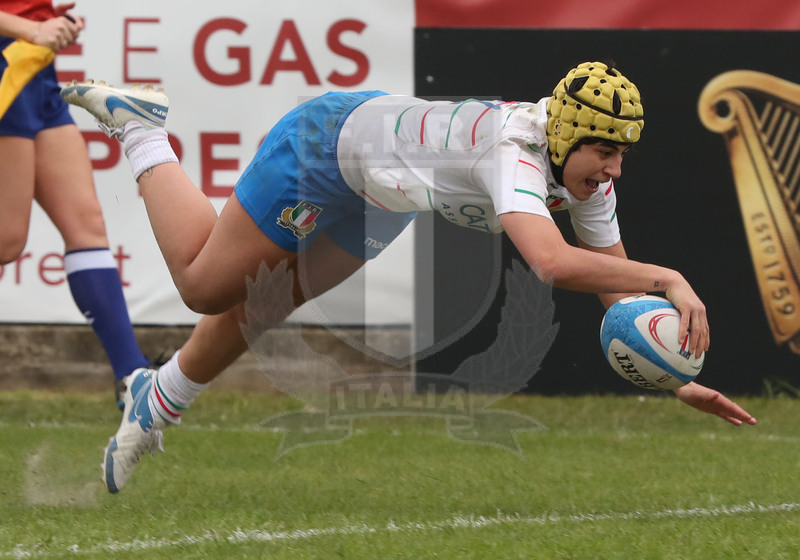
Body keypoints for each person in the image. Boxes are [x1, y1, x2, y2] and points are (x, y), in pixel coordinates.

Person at [61, 61, 757, 494]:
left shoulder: (584, 180)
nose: (613, 170)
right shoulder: (516, 148)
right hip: (327, 148)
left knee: (264, 303)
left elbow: (614, 292)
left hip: (385, 199)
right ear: (565, 133)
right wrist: (669, 275)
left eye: (623, 155)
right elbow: (550, 262)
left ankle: (156, 400)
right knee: (204, 287)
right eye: (605, 151)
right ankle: (142, 129)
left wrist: (676, 378)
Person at [0, 2, 150, 408]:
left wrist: (45, 18)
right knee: (6, 242)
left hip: (32, 69)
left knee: (86, 227)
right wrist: (29, 28)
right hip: (7, 62)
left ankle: (133, 379)